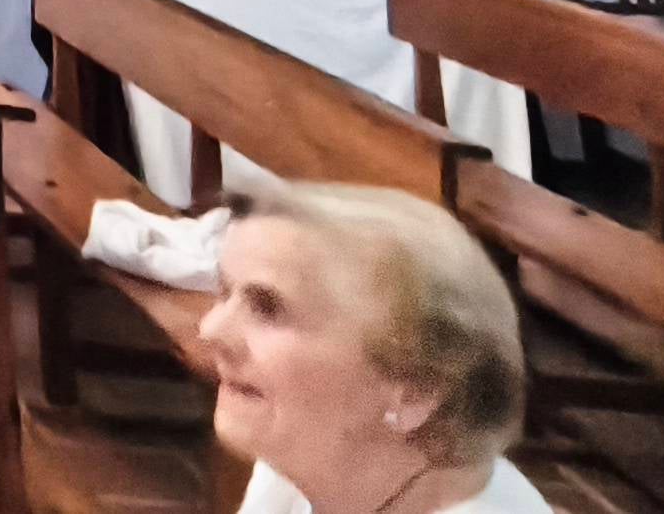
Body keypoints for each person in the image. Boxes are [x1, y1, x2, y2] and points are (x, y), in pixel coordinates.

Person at [200, 182, 549, 514]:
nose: (210, 330)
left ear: (416, 390)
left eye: (268, 308)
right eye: (224, 292)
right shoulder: (306, 458)